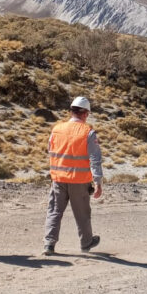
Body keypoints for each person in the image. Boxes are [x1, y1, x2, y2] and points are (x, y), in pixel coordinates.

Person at [44, 96, 103, 255]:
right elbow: (95, 159)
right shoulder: (88, 133)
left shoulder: (57, 129)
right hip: (79, 181)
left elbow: (50, 150)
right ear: (85, 114)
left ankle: (49, 244)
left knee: (54, 211)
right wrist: (97, 181)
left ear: (71, 112)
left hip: (58, 179)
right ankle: (86, 243)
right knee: (82, 214)